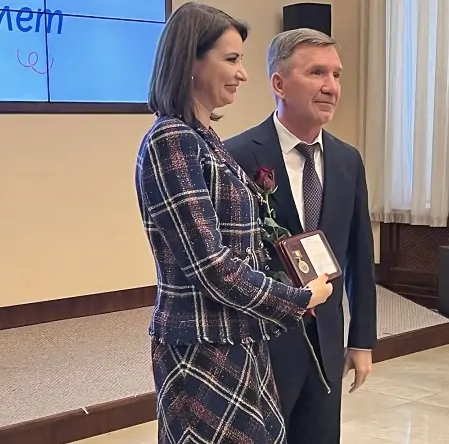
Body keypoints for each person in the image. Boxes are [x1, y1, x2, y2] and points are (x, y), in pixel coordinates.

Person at [135, 5, 334, 444]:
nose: (243, 74)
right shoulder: (172, 140)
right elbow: (210, 266)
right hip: (202, 345)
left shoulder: (204, 138)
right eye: (231, 59)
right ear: (189, 60)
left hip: (237, 335)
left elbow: (241, 249)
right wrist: (297, 299)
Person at [225, 28, 378, 444]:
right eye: (316, 73)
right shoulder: (236, 156)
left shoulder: (347, 160)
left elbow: (359, 255)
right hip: (265, 345)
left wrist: (362, 341)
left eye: (336, 75)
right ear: (279, 84)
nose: (332, 87)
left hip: (326, 343)